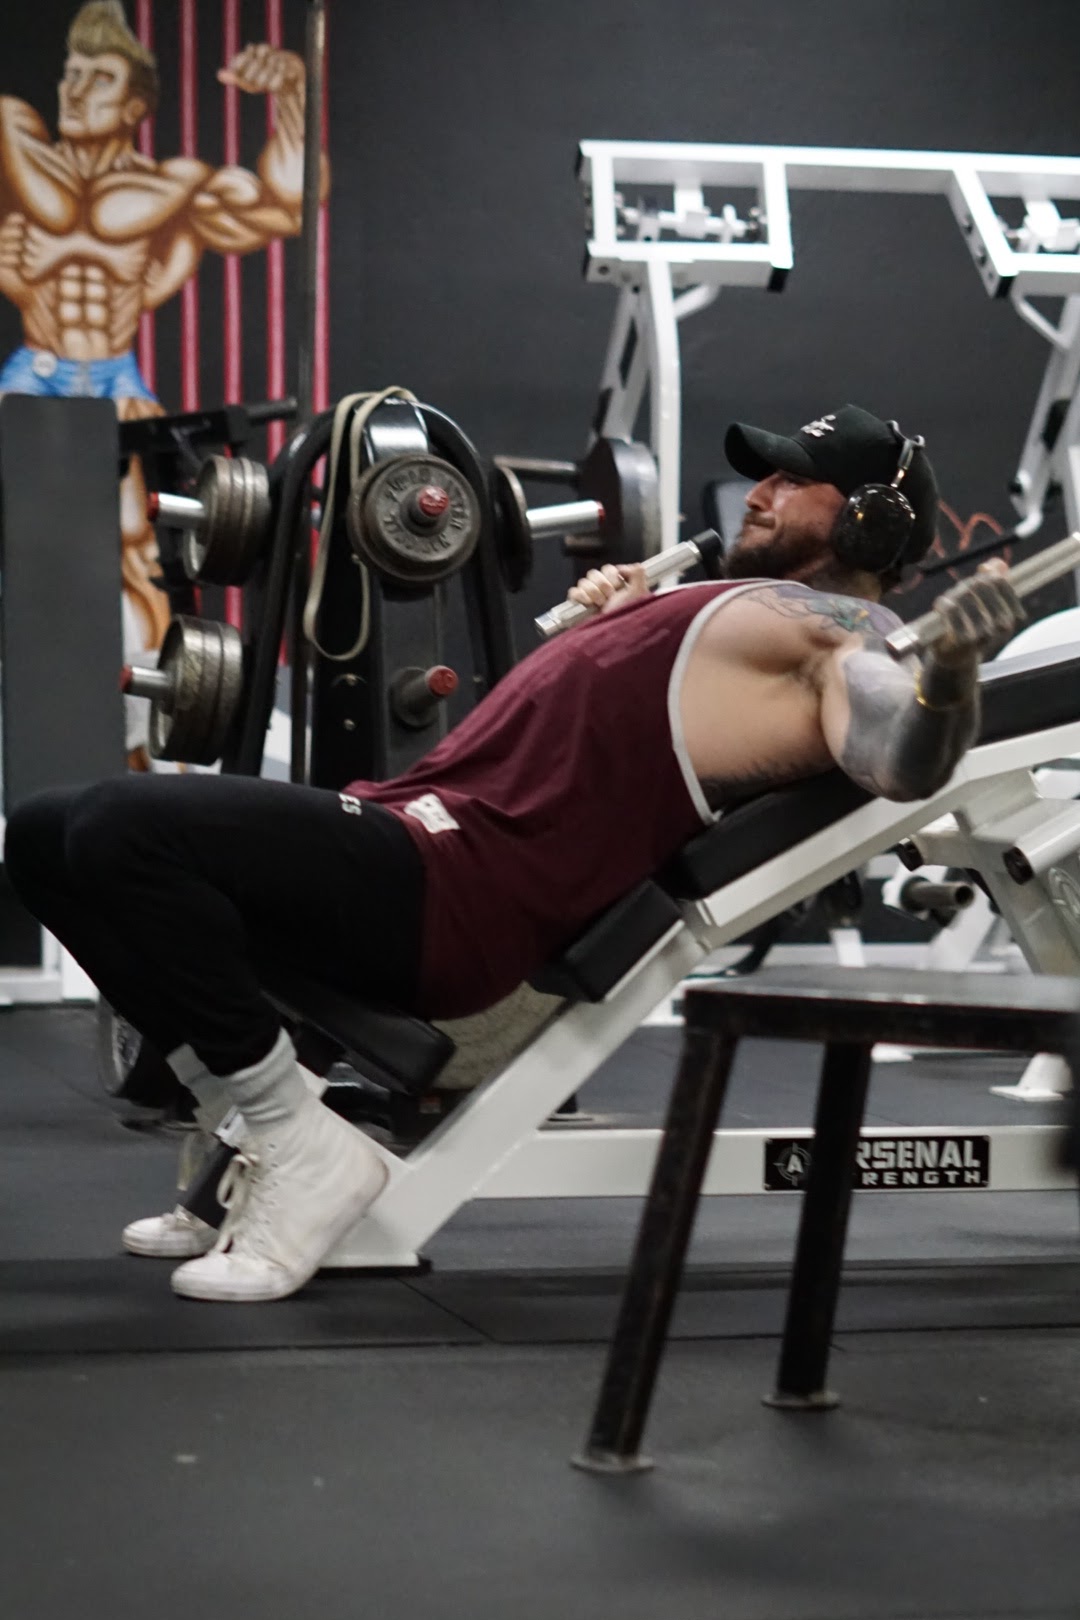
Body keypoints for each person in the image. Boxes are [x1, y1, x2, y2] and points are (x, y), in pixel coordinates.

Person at [3, 403, 1023, 1305]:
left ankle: (295, 1139)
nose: (759, 492)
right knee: (45, 834)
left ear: (869, 520)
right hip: (417, 833)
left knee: (122, 829)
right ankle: (256, 1124)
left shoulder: (847, 631)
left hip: (458, 889)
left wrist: (947, 681)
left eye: (795, 480)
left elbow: (898, 755)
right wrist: (618, 622)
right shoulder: (714, 600)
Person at [0, 0, 323, 734]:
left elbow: (284, 202)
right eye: (72, 73)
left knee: (144, 549)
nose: (75, 91)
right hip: (30, 377)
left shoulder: (169, 187)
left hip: (116, 385)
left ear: (135, 104)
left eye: (100, 78)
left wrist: (292, 93)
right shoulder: (18, 148)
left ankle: (147, 735)